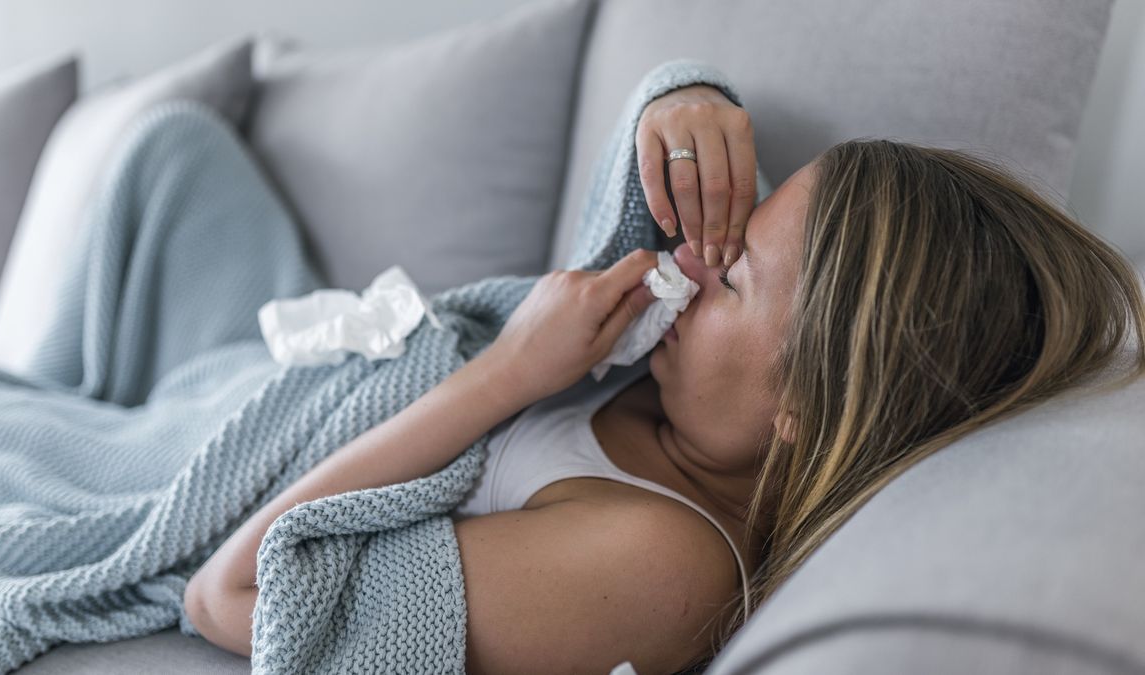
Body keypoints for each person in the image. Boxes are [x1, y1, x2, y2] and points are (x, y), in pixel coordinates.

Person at [183, 81, 1145, 674]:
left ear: (804, 407)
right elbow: (635, 192)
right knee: (170, 152)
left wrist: (512, 370)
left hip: (195, 459)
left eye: (730, 276)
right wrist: (682, 98)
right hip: (266, 372)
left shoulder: (662, 567)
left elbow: (234, 596)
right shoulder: (705, 394)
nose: (683, 265)